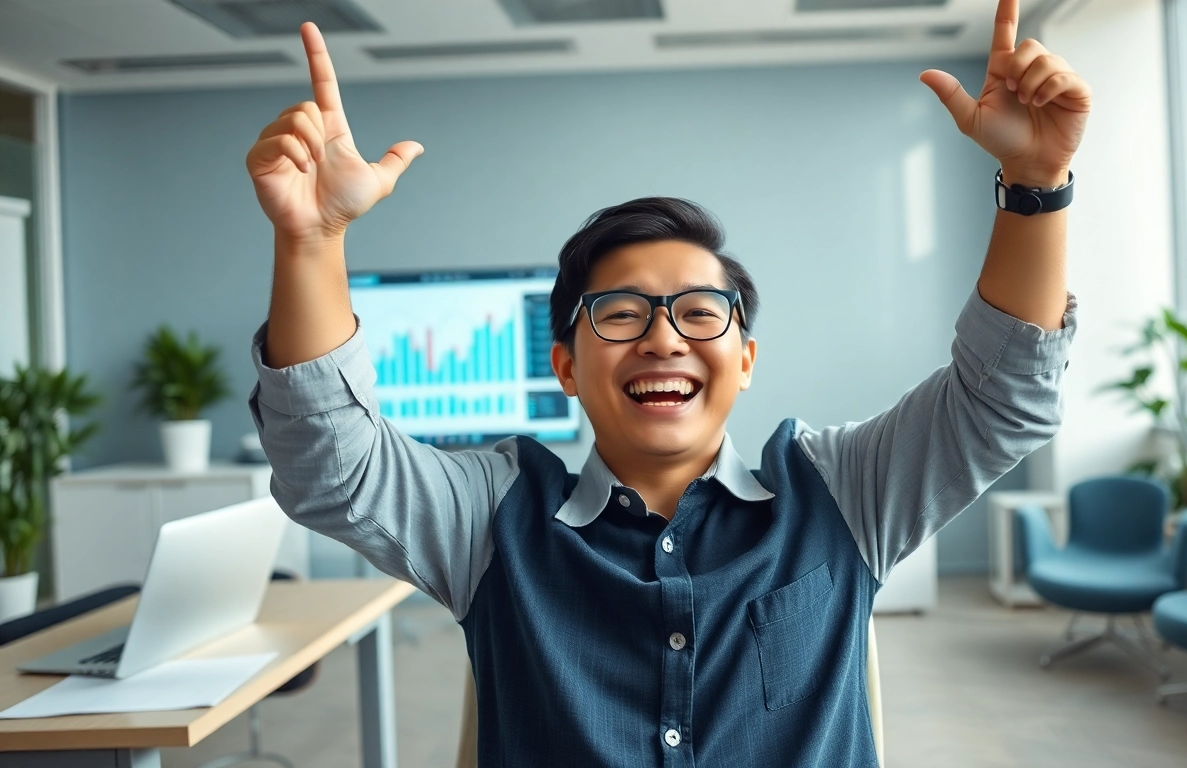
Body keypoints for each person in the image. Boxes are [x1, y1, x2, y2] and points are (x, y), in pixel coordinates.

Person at [244, 1, 1089, 764]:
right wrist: (312, 243)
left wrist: (1036, 187)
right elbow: (332, 468)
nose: (660, 338)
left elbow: (999, 401)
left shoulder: (841, 495)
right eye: (619, 313)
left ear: (746, 360)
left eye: (698, 312)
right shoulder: (490, 520)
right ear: (567, 366)